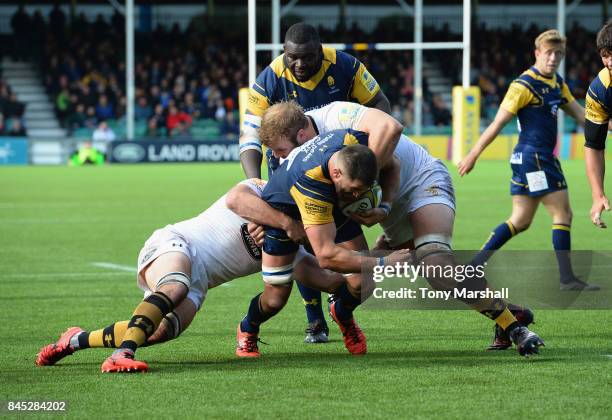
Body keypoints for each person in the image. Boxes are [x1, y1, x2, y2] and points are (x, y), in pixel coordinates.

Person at [247, 101, 542, 356]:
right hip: (370, 199)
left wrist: (374, 193)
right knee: (365, 279)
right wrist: (271, 222)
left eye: (281, 150)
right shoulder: (303, 159)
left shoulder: (335, 118)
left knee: (435, 264)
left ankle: (513, 327)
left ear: (301, 134)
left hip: (419, 182)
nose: (281, 158)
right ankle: (343, 309)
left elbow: (391, 126)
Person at [35, 179, 349, 373]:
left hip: (201, 282)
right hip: (177, 243)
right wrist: (276, 221)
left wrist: (379, 262)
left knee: (160, 332)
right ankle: (121, 354)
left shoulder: (290, 249)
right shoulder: (262, 190)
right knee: (176, 287)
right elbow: (236, 199)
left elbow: (332, 279)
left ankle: (74, 340)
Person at [239, 22, 391, 343]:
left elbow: (380, 105)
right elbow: (250, 135)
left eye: (306, 57)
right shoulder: (269, 78)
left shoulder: (346, 66)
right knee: (303, 240)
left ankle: (340, 306)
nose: (298, 64)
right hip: (290, 173)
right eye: (292, 57)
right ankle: (314, 320)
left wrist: (362, 160)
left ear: (320, 52)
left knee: (345, 258)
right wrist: (255, 181)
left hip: (334, 173)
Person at [232, 128, 411, 357]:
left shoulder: (355, 142)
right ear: (336, 174)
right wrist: (384, 262)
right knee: (275, 299)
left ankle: (342, 314)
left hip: (333, 201)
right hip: (285, 212)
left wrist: (385, 206)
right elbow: (326, 256)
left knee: (363, 281)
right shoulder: (312, 183)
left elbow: (392, 164)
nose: (358, 195)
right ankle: (248, 328)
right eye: (355, 189)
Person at [457, 29, 599, 291]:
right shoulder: (523, 85)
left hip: (528, 160)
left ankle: (473, 266)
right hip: (536, 157)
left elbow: (581, 115)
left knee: (520, 220)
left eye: (559, 53)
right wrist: (473, 153)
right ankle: (567, 279)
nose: (554, 58)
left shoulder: (557, 83)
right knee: (563, 213)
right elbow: (498, 123)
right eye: (549, 52)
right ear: (537, 53)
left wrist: (607, 124)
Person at [585, 21, 612, 228]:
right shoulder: (599, 90)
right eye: (605, 55)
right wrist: (598, 194)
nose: (609, 62)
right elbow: (594, 145)